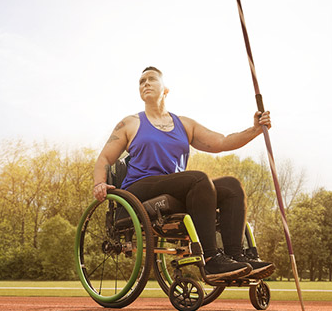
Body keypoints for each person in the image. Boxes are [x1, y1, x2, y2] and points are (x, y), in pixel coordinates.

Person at [92, 66, 275, 281]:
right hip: (140, 189)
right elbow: (104, 159)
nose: (146, 84)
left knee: (232, 186)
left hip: (175, 189)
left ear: (166, 89)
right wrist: (99, 184)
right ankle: (211, 259)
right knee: (198, 178)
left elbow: (222, 142)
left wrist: (255, 129)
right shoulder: (130, 123)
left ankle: (237, 257)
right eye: (141, 82)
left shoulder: (185, 124)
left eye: (151, 79)